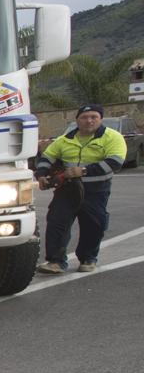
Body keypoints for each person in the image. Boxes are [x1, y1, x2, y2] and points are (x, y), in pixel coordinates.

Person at [34, 104, 127, 274]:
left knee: (94, 224)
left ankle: (88, 259)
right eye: (84, 117)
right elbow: (47, 158)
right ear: (77, 120)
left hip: (96, 189)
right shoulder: (64, 139)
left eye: (93, 117)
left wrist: (83, 171)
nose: (89, 121)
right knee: (57, 222)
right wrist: (41, 174)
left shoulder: (112, 137)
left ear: (100, 119)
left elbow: (115, 162)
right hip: (67, 188)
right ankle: (55, 261)